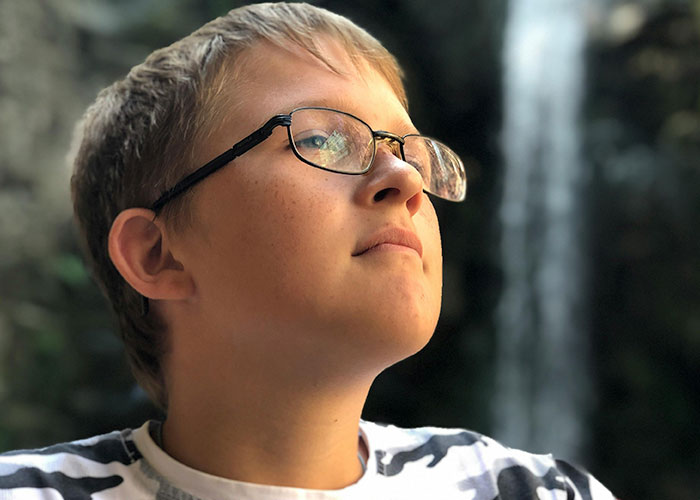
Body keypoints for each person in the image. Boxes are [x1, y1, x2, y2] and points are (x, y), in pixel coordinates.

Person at [0, 3, 615, 499]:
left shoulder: (535, 490)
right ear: (157, 254)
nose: (405, 179)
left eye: (413, 153)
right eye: (322, 139)